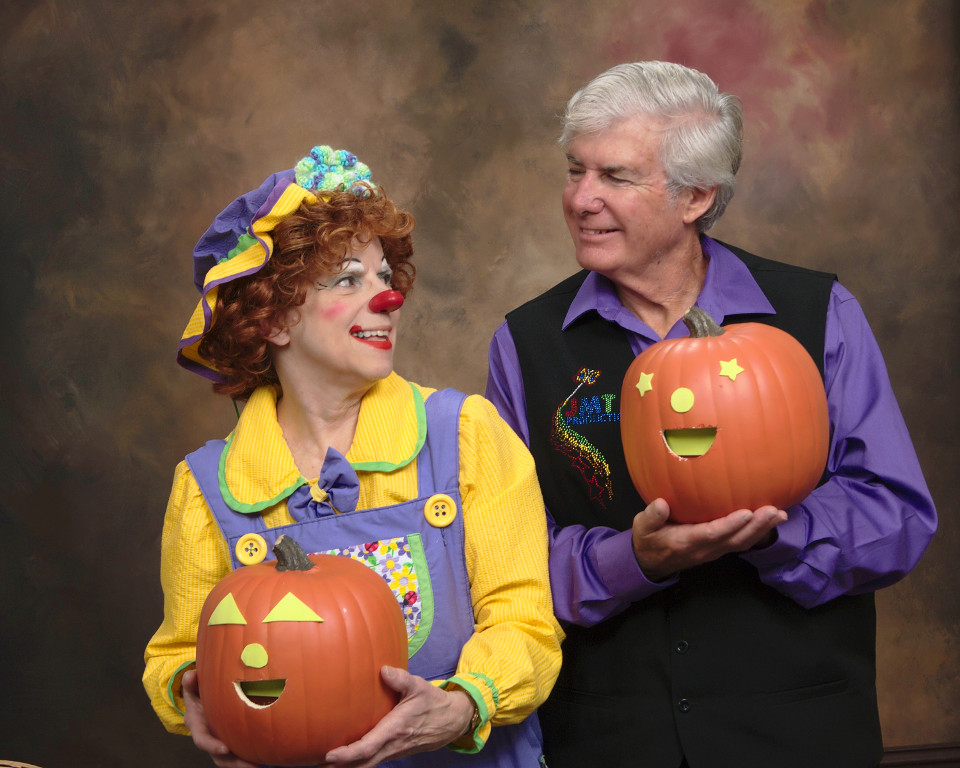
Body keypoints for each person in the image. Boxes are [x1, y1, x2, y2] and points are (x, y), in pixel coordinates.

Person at [485, 62, 937, 768]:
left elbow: (896, 520)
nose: (580, 198)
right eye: (575, 171)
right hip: (605, 744)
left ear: (695, 196)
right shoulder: (525, 343)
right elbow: (504, 563)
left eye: (615, 176)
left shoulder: (818, 315)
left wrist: (768, 537)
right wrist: (631, 559)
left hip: (799, 736)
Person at [143, 144, 562, 768]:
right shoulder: (206, 488)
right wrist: (192, 692)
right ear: (274, 318)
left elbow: (525, 623)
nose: (388, 298)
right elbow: (180, 651)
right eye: (348, 279)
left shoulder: (467, 435)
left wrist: (465, 702)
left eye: (385, 277)